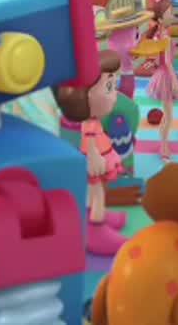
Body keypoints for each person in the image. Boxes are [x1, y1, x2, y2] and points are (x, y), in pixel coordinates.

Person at [52, 50, 129, 255]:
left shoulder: (90, 121)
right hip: (93, 162)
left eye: (114, 86)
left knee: (96, 189)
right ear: (85, 95)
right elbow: (88, 145)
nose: (115, 95)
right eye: (109, 87)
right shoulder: (86, 125)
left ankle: (94, 214)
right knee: (96, 190)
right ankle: (96, 227)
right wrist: (94, 157)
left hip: (96, 157)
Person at [134, 0, 178, 161]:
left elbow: (158, 58)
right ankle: (164, 146)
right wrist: (174, 81)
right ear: (161, 19)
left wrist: (153, 63)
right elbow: (167, 62)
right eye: (170, 13)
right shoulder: (165, 36)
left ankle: (163, 143)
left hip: (162, 73)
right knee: (168, 116)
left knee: (167, 115)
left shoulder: (160, 34)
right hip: (166, 76)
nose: (173, 16)